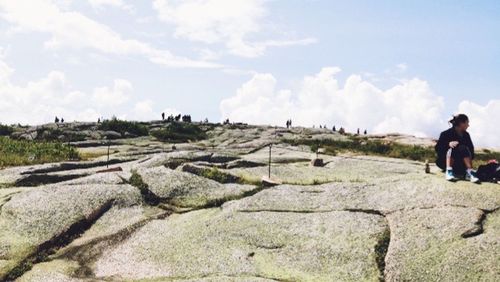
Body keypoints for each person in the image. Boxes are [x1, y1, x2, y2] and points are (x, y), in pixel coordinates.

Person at [435, 114, 479, 183]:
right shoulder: (445, 134)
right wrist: (448, 144)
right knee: (454, 146)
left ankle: (469, 172)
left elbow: (471, 150)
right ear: (461, 123)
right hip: (444, 162)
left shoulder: (466, 135)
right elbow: (438, 149)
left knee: (462, 147)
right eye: (467, 123)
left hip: (461, 164)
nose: (468, 125)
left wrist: (464, 155)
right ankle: (449, 171)